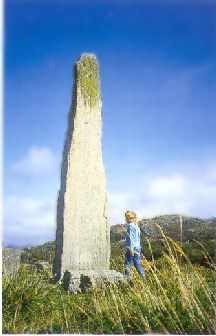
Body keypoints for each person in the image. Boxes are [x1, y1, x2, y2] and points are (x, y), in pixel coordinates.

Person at [123, 210, 145, 279]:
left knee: (127, 264)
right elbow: (137, 239)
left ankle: (127, 278)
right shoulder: (137, 227)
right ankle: (143, 277)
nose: (127, 219)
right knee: (137, 264)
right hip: (138, 248)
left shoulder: (130, 226)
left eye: (128, 218)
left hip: (131, 248)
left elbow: (130, 238)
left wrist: (130, 248)